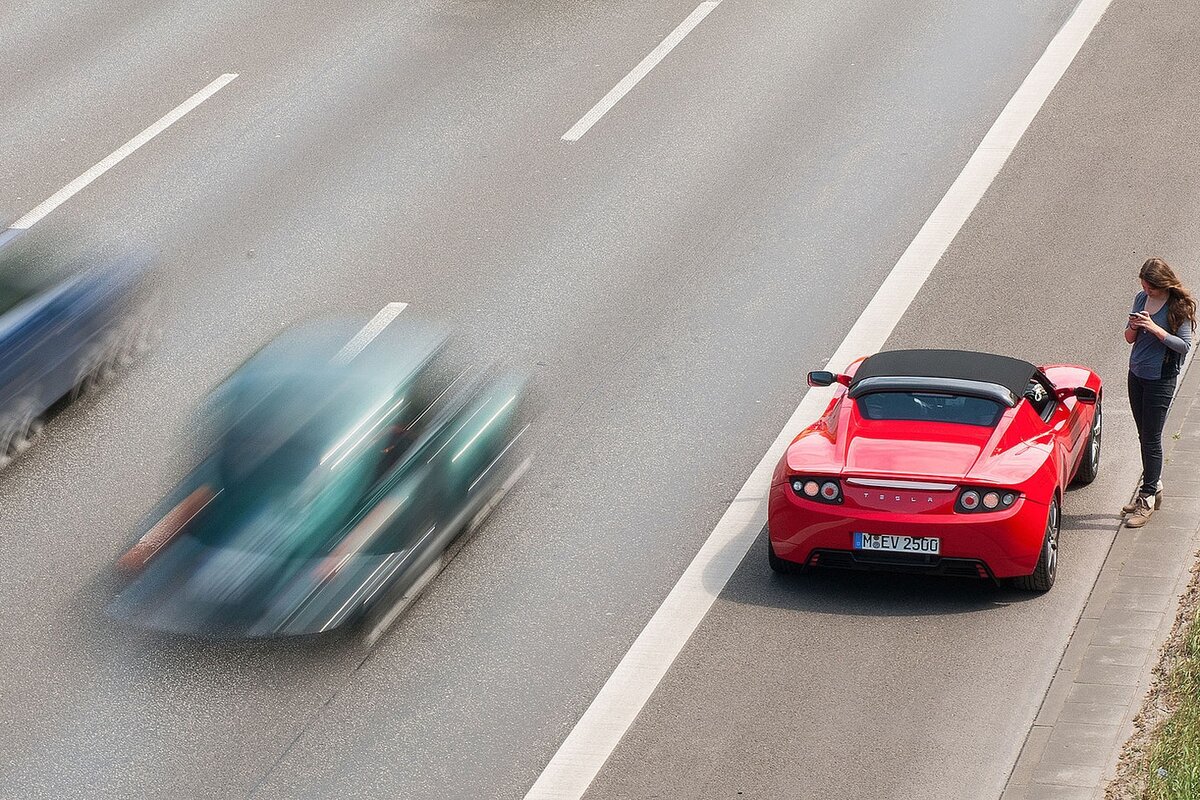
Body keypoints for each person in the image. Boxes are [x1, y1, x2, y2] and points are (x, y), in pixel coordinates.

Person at [1123, 257, 1196, 527]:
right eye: (1144, 286)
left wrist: (1155, 329)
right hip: (1137, 374)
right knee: (1143, 434)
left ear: (1163, 284)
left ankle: (1147, 496)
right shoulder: (1140, 299)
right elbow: (1129, 339)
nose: (1147, 292)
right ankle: (1154, 484)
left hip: (1160, 379)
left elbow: (1184, 346)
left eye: (1151, 288)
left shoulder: (1179, 307)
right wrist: (1133, 325)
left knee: (1152, 438)